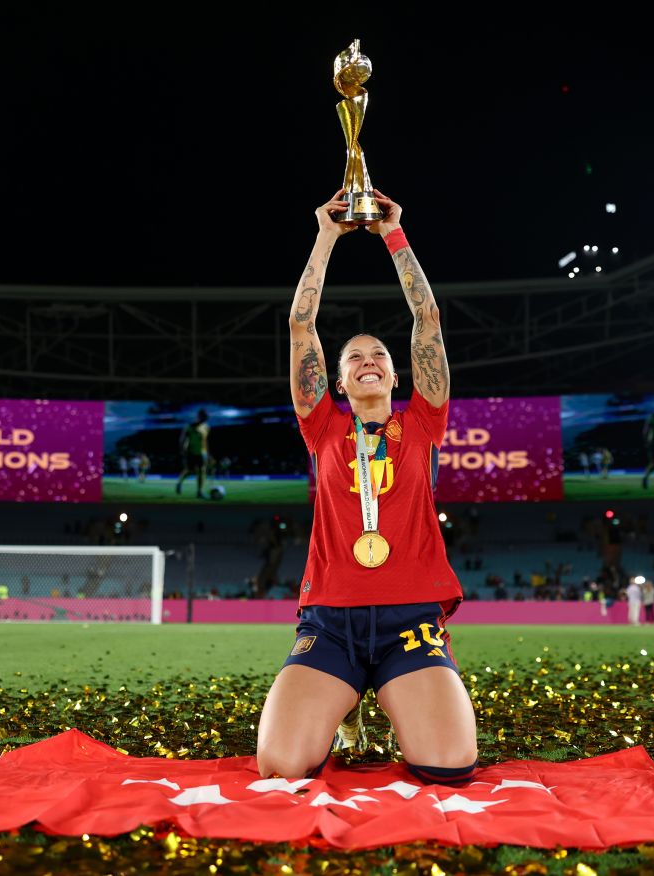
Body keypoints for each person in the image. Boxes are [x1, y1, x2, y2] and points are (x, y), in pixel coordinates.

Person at [256, 190, 475, 787]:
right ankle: (345, 698)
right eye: (353, 357)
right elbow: (302, 325)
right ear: (338, 379)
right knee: (280, 765)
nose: (368, 359)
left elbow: (426, 321)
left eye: (378, 354)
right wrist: (327, 234)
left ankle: (382, 693)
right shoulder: (322, 425)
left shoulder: (424, 421)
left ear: (396, 372)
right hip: (330, 621)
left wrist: (393, 237)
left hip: (411, 621)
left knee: (448, 765)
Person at [176, 409, 211, 498]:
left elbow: (205, 441)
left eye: (206, 417)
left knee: (202, 471)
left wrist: (208, 453)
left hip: (202, 453)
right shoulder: (189, 426)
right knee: (190, 470)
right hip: (190, 452)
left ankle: (199, 492)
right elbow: (182, 439)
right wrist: (182, 449)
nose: (205, 419)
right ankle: (179, 483)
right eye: (204, 416)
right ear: (199, 416)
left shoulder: (206, 427)